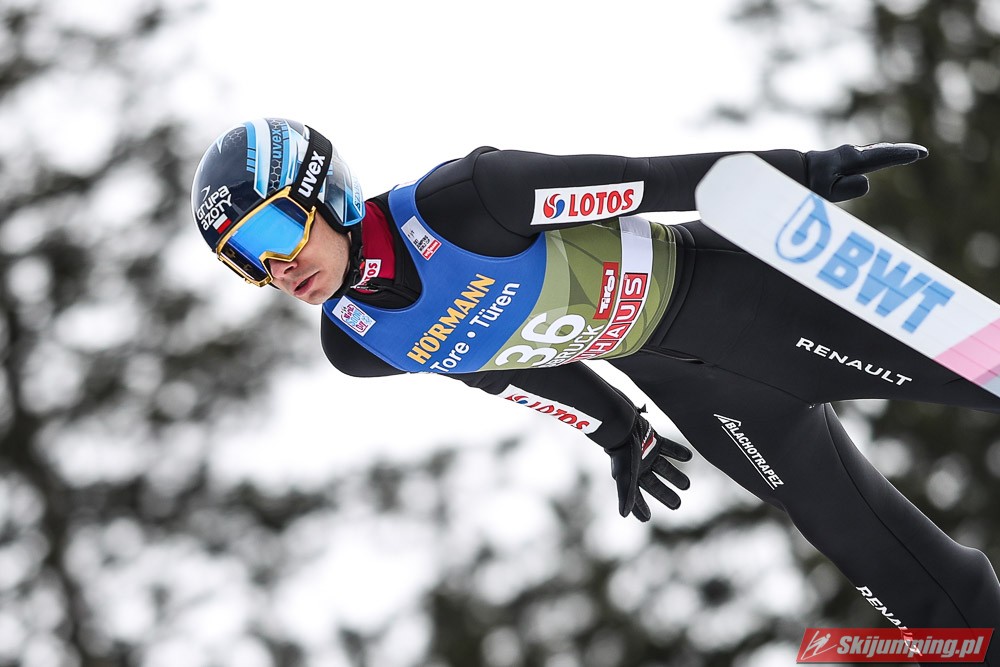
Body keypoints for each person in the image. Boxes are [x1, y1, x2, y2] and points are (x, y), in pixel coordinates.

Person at [191, 118, 999, 656]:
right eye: (245, 258)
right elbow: (496, 365)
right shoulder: (358, 342)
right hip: (702, 396)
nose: (278, 267)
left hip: (746, 296)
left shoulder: (467, 203)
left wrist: (800, 173)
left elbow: (645, 181)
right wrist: (619, 429)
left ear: (324, 191)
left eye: (273, 230)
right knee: (891, 565)